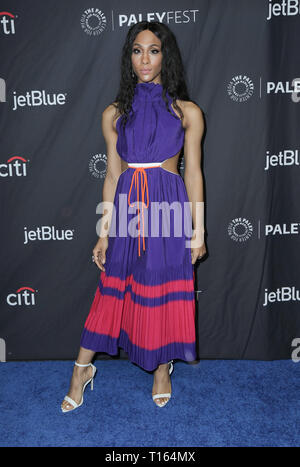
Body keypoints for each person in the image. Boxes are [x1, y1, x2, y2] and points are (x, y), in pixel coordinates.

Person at [61, 21, 206, 412]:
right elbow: (112, 175)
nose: (145, 58)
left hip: (169, 209)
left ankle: (162, 368)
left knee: (161, 291)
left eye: (154, 50)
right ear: (129, 57)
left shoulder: (187, 111)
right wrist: (104, 231)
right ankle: (81, 370)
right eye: (137, 50)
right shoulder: (114, 113)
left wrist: (198, 231)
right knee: (112, 288)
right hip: (127, 208)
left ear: (165, 55)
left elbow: (192, 173)